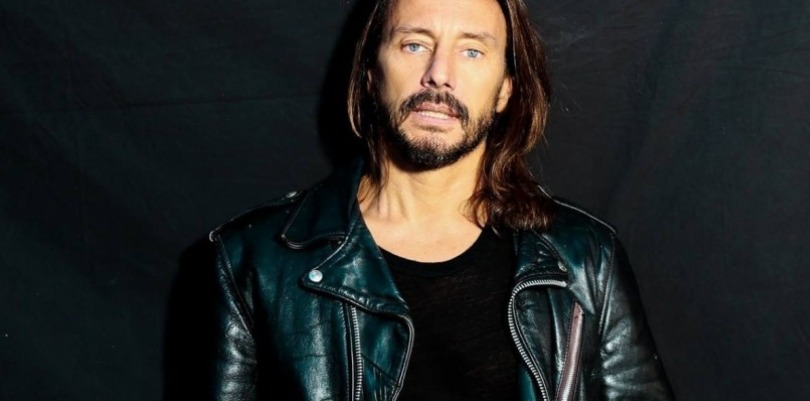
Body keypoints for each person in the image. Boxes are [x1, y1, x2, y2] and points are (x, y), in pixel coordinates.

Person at [203, 0, 674, 399]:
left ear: (505, 89)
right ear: (370, 72)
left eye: (472, 50)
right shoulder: (254, 259)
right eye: (414, 45)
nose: (439, 76)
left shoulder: (585, 258)